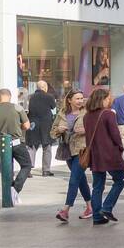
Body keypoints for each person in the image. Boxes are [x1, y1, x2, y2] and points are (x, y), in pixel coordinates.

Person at [82, 87, 124, 225]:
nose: (110, 100)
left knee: (98, 186)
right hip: (110, 154)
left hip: (95, 156)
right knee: (120, 180)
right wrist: (120, 147)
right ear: (103, 99)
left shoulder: (86, 116)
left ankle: (96, 216)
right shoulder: (108, 114)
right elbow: (115, 135)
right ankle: (107, 207)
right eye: (108, 98)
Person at [0, 88, 32, 205]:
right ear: (10, 96)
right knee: (26, 165)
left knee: (8, 169)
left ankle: (10, 195)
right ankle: (15, 189)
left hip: (1, 144)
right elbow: (27, 125)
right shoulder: (17, 108)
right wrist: (16, 126)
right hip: (16, 142)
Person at [51, 89, 93, 223]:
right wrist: (59, 130)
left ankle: (65, 210)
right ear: (69, 100)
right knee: (80, 180)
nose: (81, 101)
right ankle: (90, 207)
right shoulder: (62, 113)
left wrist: (86, 130)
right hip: (67, 150)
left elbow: (96, 128)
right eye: (77, 98)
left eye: (82, 98)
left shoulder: (87, 113)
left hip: (82, 150)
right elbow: (52, 132)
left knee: (73, 179)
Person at [26, 80, 58, 177]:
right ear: (44, 87)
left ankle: (28, 170)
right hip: (46, 125)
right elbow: (53, 107)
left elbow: (26, 109)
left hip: (33, 124)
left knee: (32, 147)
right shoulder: (49, 97)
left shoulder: (30, 97)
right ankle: (46, 170)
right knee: (47, 147)